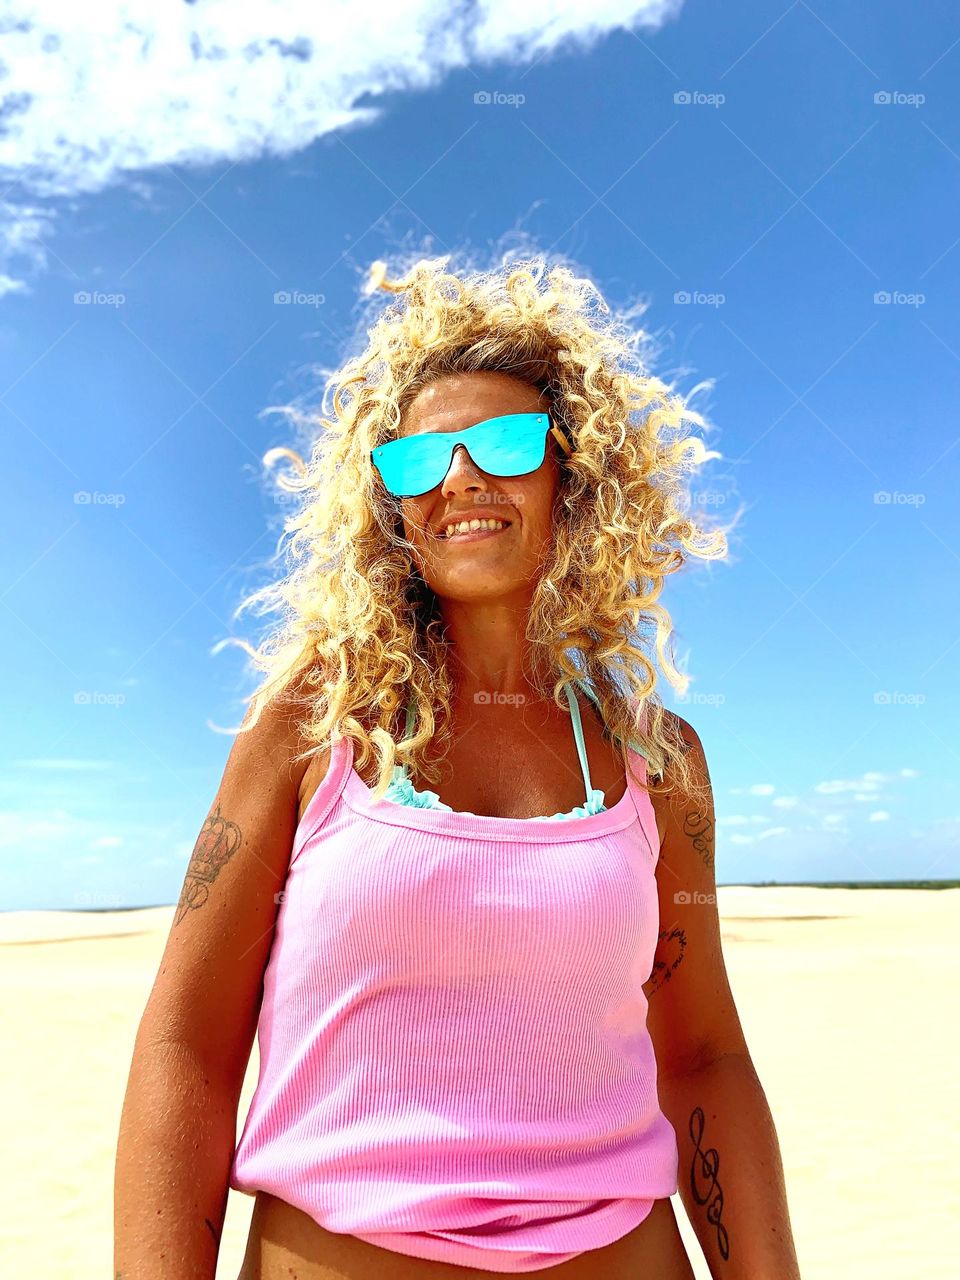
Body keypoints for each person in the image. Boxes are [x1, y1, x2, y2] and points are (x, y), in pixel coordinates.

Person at [114, 255, 802, 1279]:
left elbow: (705, 1060)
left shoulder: (657, 762)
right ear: (389, 501)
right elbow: (188, 1048)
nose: (461, 477)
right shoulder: (311, 728)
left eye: (508, 443)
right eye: (419, 458)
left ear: (575, 480)